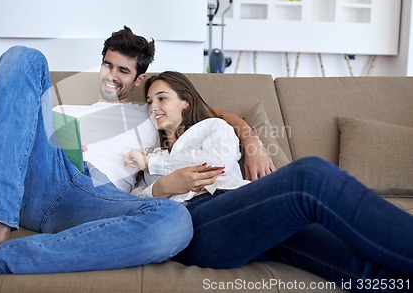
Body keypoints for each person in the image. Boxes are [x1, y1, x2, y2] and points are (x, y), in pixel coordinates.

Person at [0, 27, 272, 292]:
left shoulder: (150, 113)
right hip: (44, 177)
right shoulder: (65, 108)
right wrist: (64, 143)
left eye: (123, 71)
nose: (112, 77)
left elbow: (211, 113)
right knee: (24, 57)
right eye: (108, 65)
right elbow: (20, 134)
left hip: (92, 199)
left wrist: (252, 139)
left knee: (174, 221)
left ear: (139, 78)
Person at [125, 71, 413, 290]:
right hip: (194, 222)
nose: (153, 106)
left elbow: (216, 165)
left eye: (162, 98)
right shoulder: (148, 151)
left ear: (186, 101)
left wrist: (155, 164)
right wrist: (160, 186)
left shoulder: (213, 127)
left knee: (352, 262)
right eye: (149, 101)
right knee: (309, 175)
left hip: (242, 209)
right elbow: (129, 203)